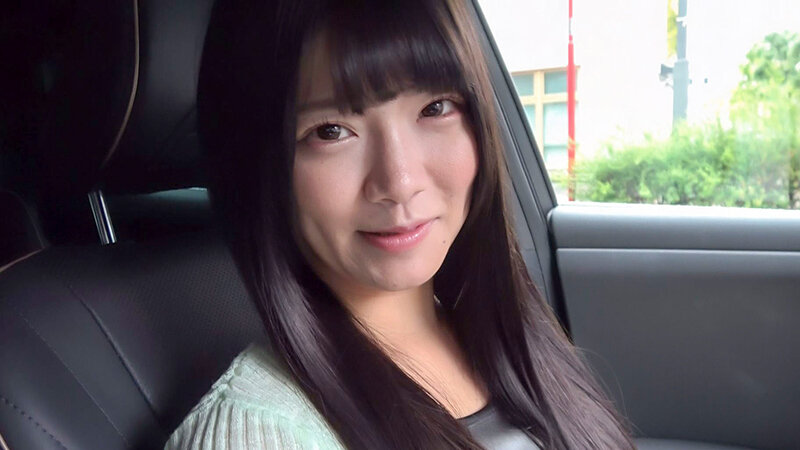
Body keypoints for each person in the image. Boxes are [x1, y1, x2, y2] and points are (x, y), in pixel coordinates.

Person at [167, 0, 635, 448]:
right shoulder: (254, 433)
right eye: (331, 131)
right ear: (258, 163)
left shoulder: (501, 334)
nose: (400, 182)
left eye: (435, 109)